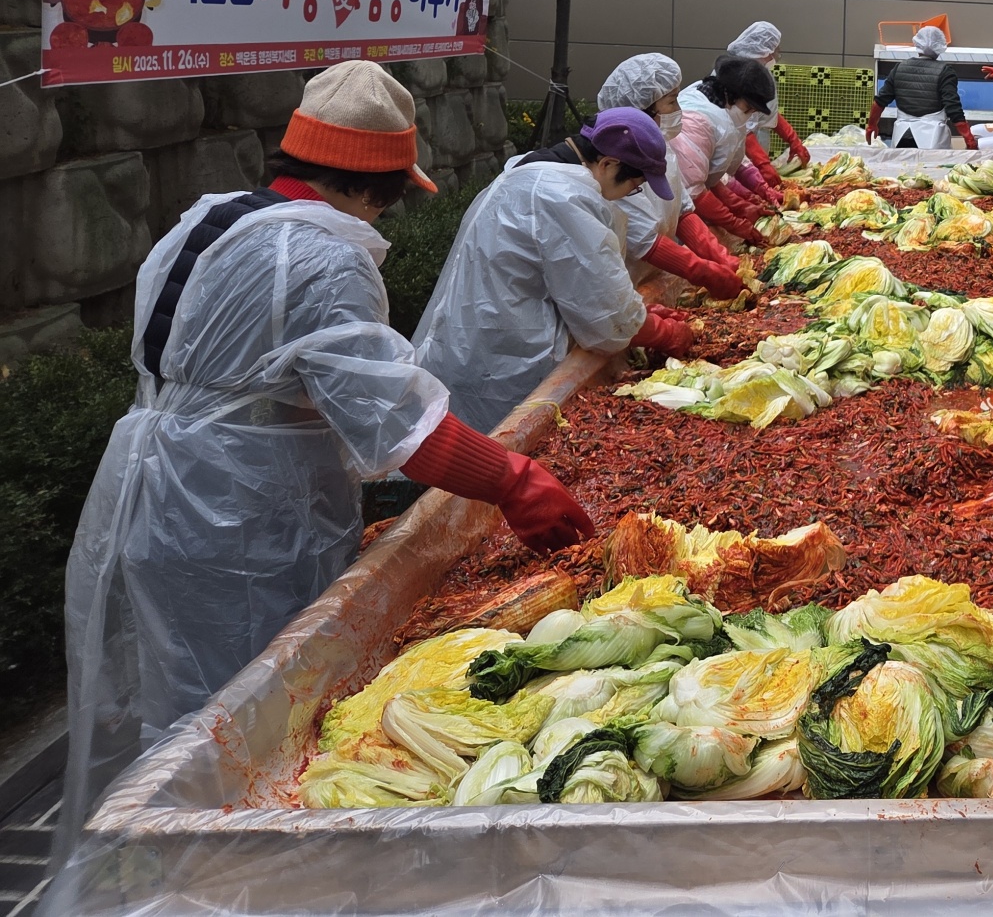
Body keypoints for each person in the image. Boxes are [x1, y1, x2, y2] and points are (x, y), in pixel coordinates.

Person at [59, 61, 593, 857]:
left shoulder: (209, 217)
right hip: (239, 509)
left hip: (156, 479)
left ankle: (170, 867)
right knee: (251, 711)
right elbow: (395, 419)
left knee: (185, 703)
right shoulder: (322, 258)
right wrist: (512, 480)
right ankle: (240, 873)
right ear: (376, 185)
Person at [416, 107, 696, 433]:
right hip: (502, 368)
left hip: (476, 346)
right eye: (635, 186)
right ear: (608, 164)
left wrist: (643, 313)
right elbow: (607, 319)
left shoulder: (534, 172)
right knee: (495, 456)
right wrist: (667, 334)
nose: (630, 195)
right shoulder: (564, 197)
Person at [585, 54, 746, 301]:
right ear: (643, 108)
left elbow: (682, 209)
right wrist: (704, 272)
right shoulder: (616, 163)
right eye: (672, 102)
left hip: (657, 277)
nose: (679, 111)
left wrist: (720, 258)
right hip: (624, 288)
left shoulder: (661, 144)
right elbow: (646, 242)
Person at [678, 55, 786, 242]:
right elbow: (693, 189)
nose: (750, 113)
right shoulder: (696, 120)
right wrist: (734, 221)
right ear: (730, 93)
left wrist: (754, 194)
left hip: (689, 202)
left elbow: (725, 164)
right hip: (675, 211)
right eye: (749, 107)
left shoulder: (725, 110)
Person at [867, 24, 977, 149]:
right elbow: (953, 107)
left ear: (917, 43)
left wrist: (872, 125)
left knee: (902, 168)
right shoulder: (945, 71)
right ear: (941, 46)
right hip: (933, 138)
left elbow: (880, 100)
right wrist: (969, 138)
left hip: (902, 137)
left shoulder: (900, 67)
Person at [725, 21, 812, 173]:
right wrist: (763, 164)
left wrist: (793, 140)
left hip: (754, 151)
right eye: (773, 51)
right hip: (734, 153)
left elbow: (765, 110)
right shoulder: (736, 76)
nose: (775, 56)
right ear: (760, 51)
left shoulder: (759, 72)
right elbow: (744, 129)